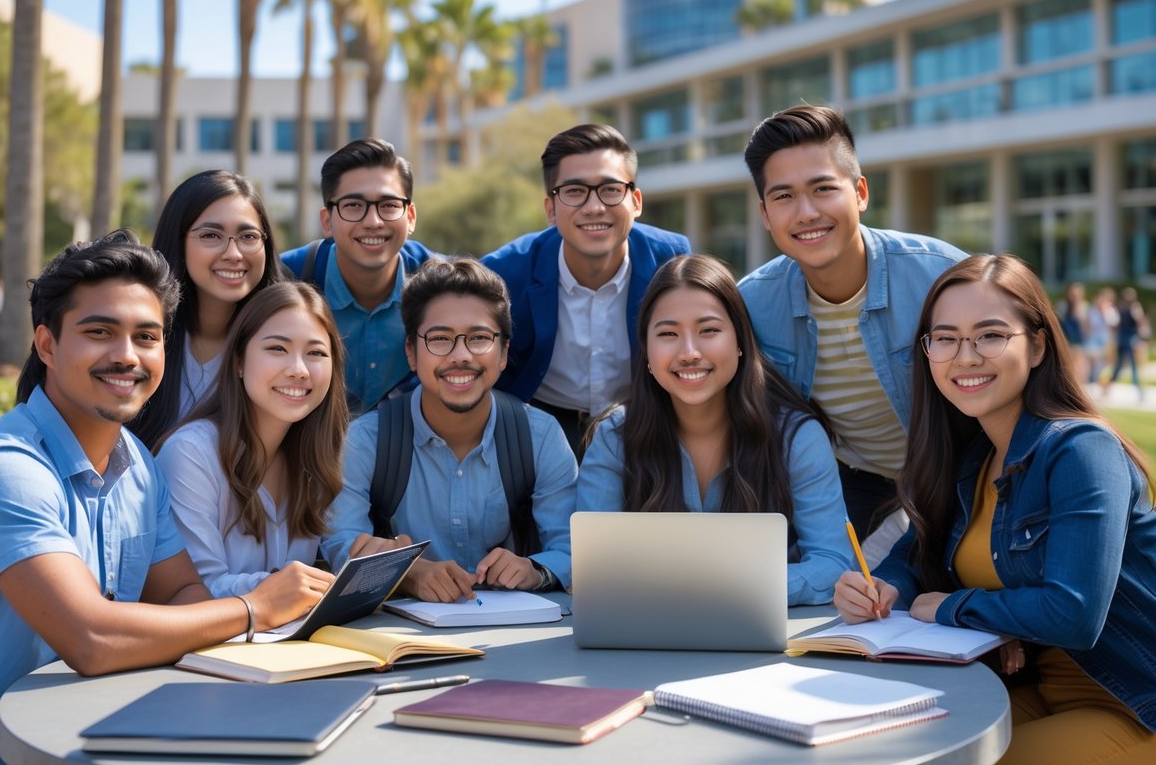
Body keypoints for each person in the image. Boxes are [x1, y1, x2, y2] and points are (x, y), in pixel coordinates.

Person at [0, 231, 323, 765]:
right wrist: (253, 609)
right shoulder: (6, 469)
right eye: (99, 332)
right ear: (47, 345)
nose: (126, 356)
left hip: (107, 711)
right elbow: (92, 637)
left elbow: (182, 592)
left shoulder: (138, 464)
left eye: (146, 336)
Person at [834, 253, 1156, 765]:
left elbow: (1072, 613)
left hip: (1133, 704)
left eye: (990, 335)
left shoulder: (1081, 451)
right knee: (877, 749)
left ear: (1038, 346)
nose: (965, 357)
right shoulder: (973, 456)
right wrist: (884, 588)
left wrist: (952, 608)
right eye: (945, 338)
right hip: (1031, 689)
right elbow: (915, 554)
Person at [737, 104, 966, 561]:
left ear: (860, 192)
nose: (806, 212)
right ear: (765, 213)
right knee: (826, 579)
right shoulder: (752, 305)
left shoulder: (942, 276)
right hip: (858, 477)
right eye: (784, 197)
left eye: (823, 189)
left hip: (962, 467)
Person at [576, 255, 850, 605]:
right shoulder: (614, 437)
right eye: (668, 334)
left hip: (765, 628)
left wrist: (738, 589)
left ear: (740, 342)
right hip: (645, 628)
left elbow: (833, 562)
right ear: (647, 351)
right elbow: (592, 566)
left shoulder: (797, 437)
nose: (689, 353)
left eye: (709, 330)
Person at [323, 258, 576, 602]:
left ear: (503, 353)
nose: (460, 356)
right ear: (411, 352)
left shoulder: (540, 437)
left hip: (517, 624)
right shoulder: (366, 440)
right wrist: (407, 573)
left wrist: (536, 569)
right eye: (440, 338)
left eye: (479, 338)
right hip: (398, 628)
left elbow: (572, 548)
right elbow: (340, 543)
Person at [482, 124, 690, 456]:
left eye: (610, 189)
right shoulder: (503, 274)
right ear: (551, 209)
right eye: (575, 191)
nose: (594, 207)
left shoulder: (671, 261)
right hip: (540, 421)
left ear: (636, 201)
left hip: (642, 419)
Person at [156, 282, 347, 597]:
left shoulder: (315, 458)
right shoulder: (190, 454)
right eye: (277, 349)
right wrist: (278, 588)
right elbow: (192, 593)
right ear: (238, 361)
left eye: (316, 353)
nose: (299, 370)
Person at [130, 170, 286, 450]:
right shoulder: (137, 340)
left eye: (248, 236)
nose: (234, 254)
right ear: (178, 241)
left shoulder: (286, 342)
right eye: (211, 235)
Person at [280, 137, 436, 414]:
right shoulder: (285, 279)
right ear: (327, 221)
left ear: (410, 216)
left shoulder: (443, 286)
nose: (373, 222)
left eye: (388, 205)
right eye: (353, 205)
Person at [1100, 286, 1147, 401]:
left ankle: (1108, 390)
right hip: (1128, 340)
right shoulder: (1132, 308)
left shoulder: (1123, 308)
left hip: (1125, 339)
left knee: (1121, 367)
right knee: (1129, 367)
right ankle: (1139, 392)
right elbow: (1139, 322)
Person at [1057, 281, 1088, 383]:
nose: (1075, 296)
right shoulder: (1062, 307)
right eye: (1073, 293)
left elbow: (1086, 330)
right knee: (1067, 369)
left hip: (1079, 344)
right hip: (1066, 342)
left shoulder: (1084, 308)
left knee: (1080, 369)